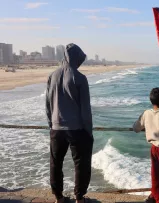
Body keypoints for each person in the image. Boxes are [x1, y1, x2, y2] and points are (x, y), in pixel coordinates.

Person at [46, 43, 93, 203]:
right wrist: (89, 131)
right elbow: (85, 109)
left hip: (56, 127)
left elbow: (48, 104)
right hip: (77, 129)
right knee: (81, 163)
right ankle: (79, 197)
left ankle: (58, 197)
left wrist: (51, 124)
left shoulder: (52, 76)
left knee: (55, 163)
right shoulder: (79, 78)